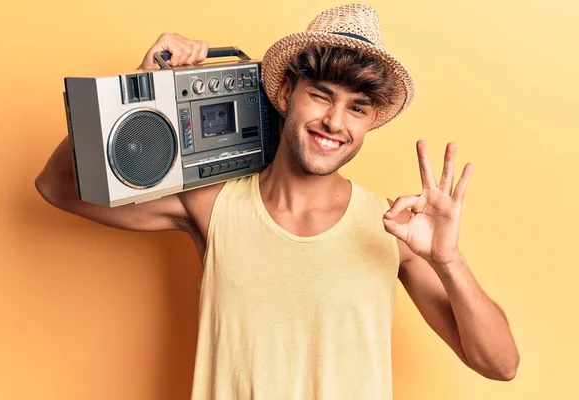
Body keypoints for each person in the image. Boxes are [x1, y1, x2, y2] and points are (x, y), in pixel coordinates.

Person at [35, 3, 519, 399]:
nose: (335, 121)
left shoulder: (393, 226)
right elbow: (56, 186)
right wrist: (143, 87)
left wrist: (450, 261)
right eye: (321, 95)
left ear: (370, 122)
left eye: (357, 108)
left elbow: (500, 365)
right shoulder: (211, 204)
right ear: (287, 92)